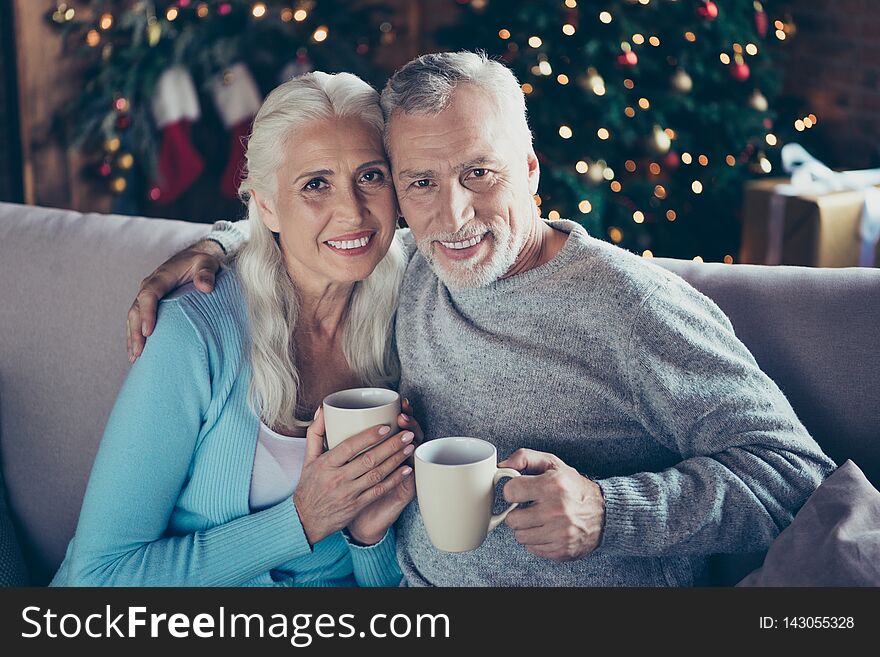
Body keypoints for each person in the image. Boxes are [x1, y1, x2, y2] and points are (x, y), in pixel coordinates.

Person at [126, 52, 837, 586]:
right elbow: (317, 225)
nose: (454, 216)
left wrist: (607, 510)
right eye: (421, 183)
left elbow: (796, 475)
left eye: (479, 173)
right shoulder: (408, 267)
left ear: (529, 169)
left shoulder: (627, 303)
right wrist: (223, 240)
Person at [52, 72, 424, 587]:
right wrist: (302, 519)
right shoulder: (193, 334)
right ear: (266, 204)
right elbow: (97, 579)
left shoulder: (415, 302)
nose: (353, 211)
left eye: (371, 176)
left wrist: (368, 535)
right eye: (316, 183)